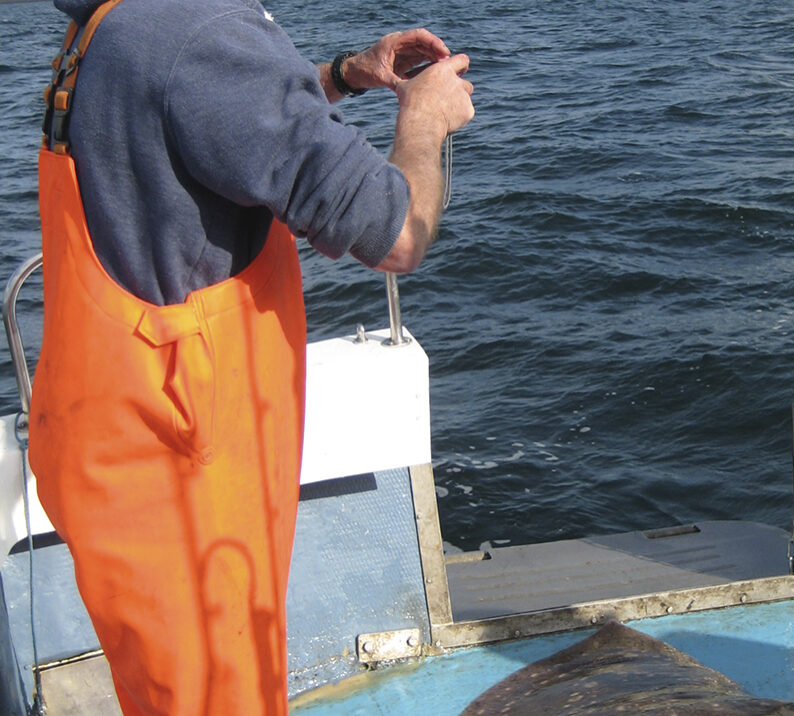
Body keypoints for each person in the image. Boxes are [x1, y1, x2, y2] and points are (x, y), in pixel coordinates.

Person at [29, 0, 474, 714]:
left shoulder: (114, 22)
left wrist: (340, 77)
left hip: (105, 447)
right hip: (183, 476)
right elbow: (396, 236)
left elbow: (202, 109)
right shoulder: (202, 35)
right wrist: (424, 119)